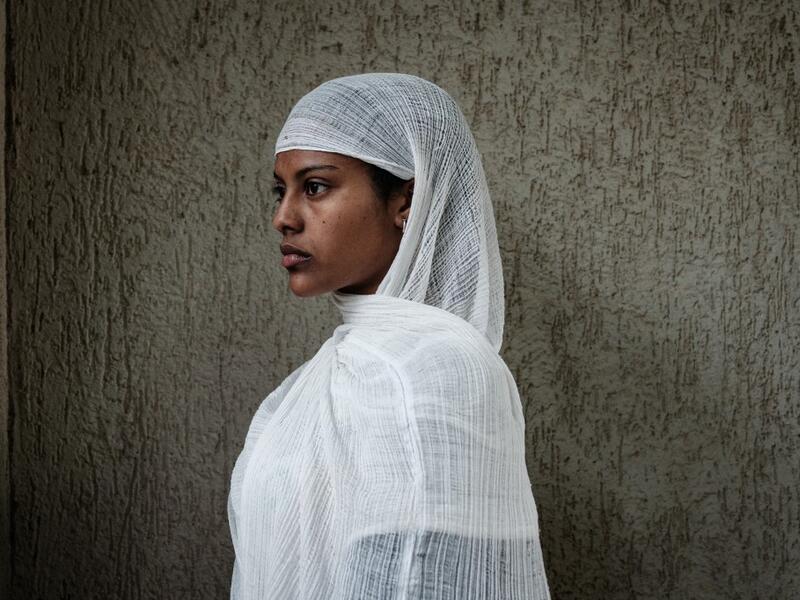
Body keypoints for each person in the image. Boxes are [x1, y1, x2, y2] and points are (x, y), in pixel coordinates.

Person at [227, 73, 551, 599]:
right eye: (280, 191)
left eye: (315, 187)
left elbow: (424, 580)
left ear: (407, 201)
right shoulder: (327, 374)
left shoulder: (437, 368)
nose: (283, 218)